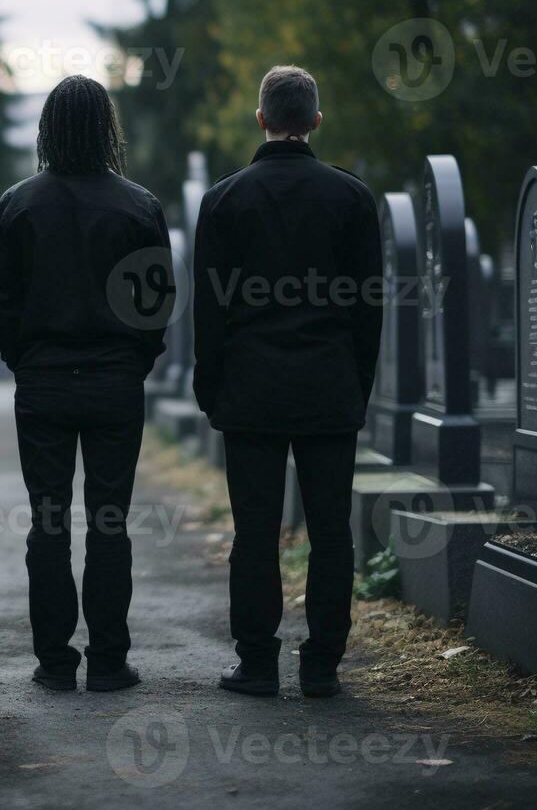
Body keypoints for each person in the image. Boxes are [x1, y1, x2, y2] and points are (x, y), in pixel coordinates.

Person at [190, 65, 382, 699]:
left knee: (255, 531)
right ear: (316, 121)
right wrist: (359, 384)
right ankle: (323, 663)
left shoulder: (223, 200)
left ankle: (257, 662)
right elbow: (367, 308)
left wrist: (210, 388)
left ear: (261, 118)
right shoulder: (352, 199)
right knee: (331, 530)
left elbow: (209, 310)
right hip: (329, 386)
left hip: (250, 388)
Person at [0, 74, 170, 693]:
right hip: (116, 379)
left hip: (42, 380)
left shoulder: (17, 204)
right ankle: (110, 661)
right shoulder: (139, 206)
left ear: (47, 130)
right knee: (110, 518)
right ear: (106, 129)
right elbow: (155, 305)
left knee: (48, 520)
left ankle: (55, 661)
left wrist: (26, 361)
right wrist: (133, 361)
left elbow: (3, 303)